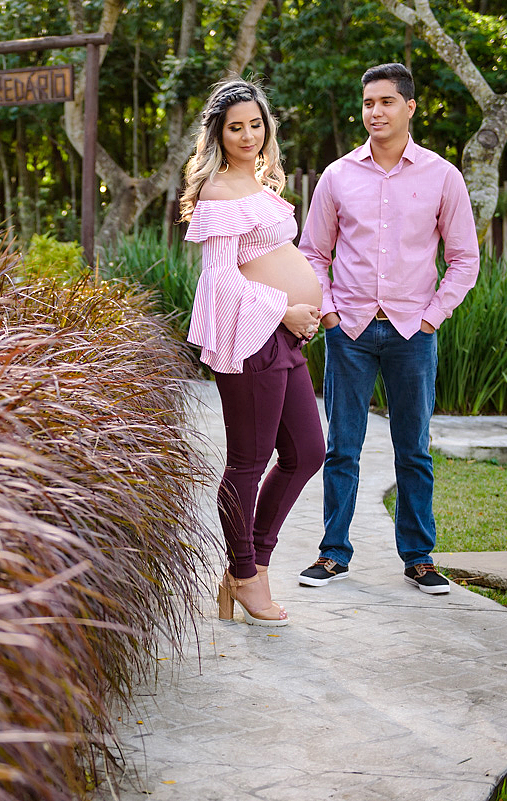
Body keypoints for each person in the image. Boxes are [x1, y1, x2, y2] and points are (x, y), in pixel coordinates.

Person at [297, 63, 479, 594]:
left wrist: (431, 316)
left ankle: (419, 558)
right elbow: (313, 254)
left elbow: (464, 259)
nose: (375, 112)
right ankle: (333, 554)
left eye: (386, 102)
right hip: (348, 332)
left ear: (410, 108)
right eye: (369, 103)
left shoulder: (443, 176)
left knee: (414, 449)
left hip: (412, 334)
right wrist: (328, 312)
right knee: (342, 448)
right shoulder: (337, 175)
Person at [181, 79, 325, 627]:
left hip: (285, 336)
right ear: (219, 132)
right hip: (251, 335)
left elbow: (280, 254)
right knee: (248, 461)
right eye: (235, 126)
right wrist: (282, 309)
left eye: (255, 124)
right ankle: (245, 574)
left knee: (308, 451)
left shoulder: (259, 184)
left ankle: (252, 567)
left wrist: (313, 309)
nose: (247, 135)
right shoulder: (219, 191)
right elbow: (219, 278)